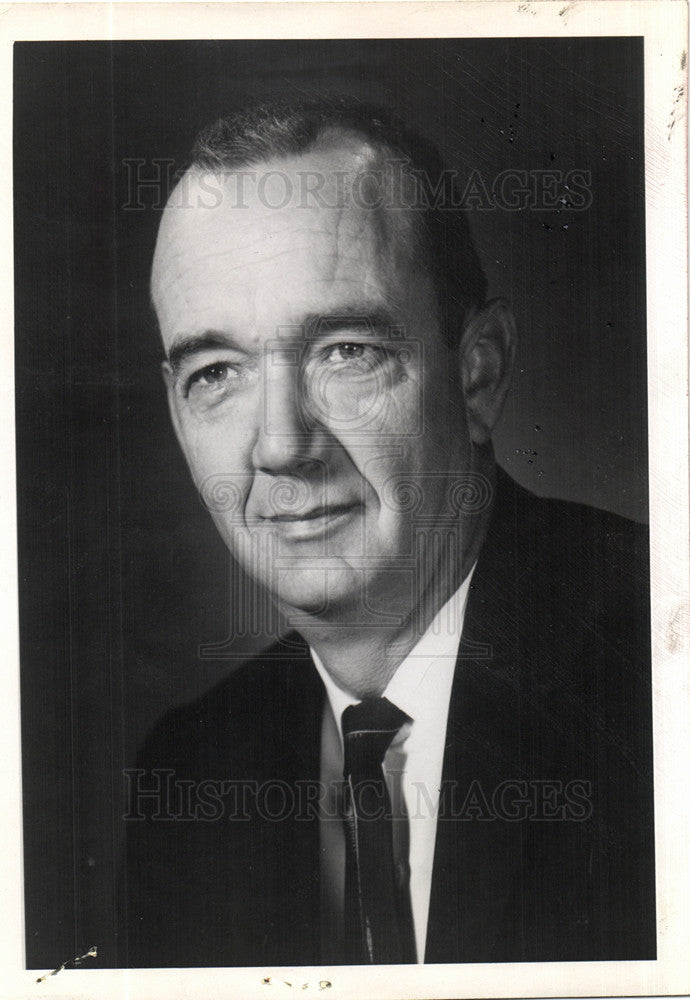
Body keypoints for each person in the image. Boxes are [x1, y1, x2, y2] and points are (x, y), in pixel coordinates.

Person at [122, 98, 655, 967]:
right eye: (216, 373)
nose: (282, 446)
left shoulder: (658, 677)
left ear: (478, 373)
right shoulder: (192, 770)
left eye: (345, 351)